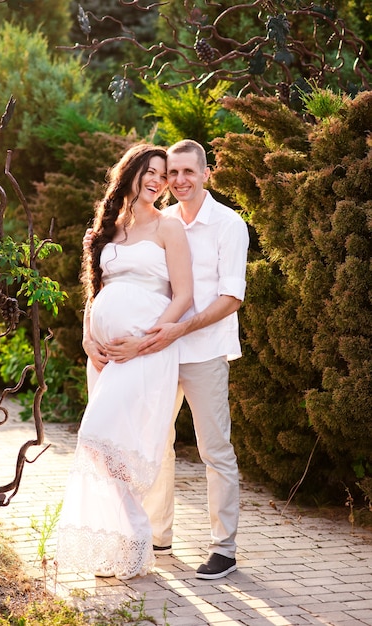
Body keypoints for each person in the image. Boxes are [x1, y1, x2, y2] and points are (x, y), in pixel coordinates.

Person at [99, 139, 249, 580]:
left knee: (213, 448)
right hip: (156, 353)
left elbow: (231, 298)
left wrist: (180, 328)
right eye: (171, 174)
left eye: (187, 172)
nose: (177, 181)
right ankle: (159, 534)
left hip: (201, 350)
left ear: (206, 173)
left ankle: (224, 548)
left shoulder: (228, 224)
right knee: (154, 445)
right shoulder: (159, 221)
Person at [55, 143, 193, 580]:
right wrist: (86, 336)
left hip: (146, 352)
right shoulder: (106, 230)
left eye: (163, 174)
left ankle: (134, 538)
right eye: (150, 172)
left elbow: (184, 297)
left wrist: (144, 341)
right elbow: (93, 292)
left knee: (103, 439)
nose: (158, 180)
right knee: (105, 449)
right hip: (105, 358)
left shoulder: (169, 228)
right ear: (130, 174)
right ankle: (119, 546)